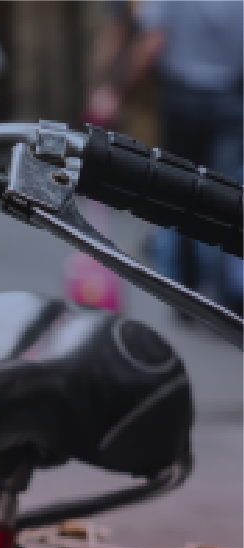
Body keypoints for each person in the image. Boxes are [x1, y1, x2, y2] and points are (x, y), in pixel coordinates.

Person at [92, 0, 243, 321]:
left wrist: (116, 91)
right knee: (226, 197)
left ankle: (185, 293)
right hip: (231, 101)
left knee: (183, 192)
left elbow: (152, 42)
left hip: (181, 100)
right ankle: (222, 298)